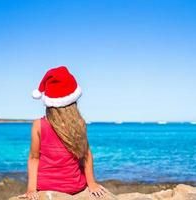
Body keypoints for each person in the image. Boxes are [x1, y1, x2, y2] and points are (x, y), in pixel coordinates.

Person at [9, 66, 118, 200]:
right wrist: (92, 184)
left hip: (46, 187)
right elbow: (86, 155)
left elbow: (34, 158)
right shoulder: (79, 123)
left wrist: (31, 189)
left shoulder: (39, 125)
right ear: (73, 101)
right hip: (75, 186)